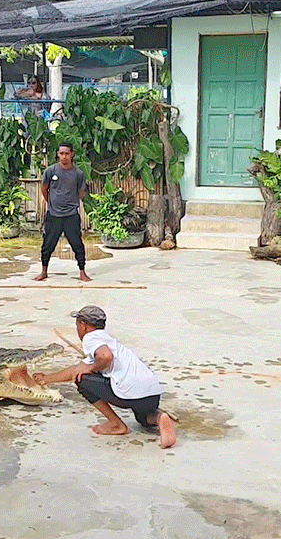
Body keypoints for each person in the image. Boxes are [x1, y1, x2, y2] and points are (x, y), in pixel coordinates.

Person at [33, 305, 176, 449]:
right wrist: (47, 378)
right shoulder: (109, 339)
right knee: (143, 419)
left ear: (83, 325)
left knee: (82, 380)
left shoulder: (91, 338)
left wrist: (91, 367)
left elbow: (105, 357)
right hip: (153, 395)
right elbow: (77, 368)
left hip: (129, 394)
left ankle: (116, 424)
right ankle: (159, 418)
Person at [35, 142, 91, 282]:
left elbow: (81, 192)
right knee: (47, 244)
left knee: (77, 244)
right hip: (54, 216)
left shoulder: (78, 174)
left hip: (71, 215)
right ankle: (44, 271)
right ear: (58, 154)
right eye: (61, 153)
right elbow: (44, 189)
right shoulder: (51, 171)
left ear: (72, 154)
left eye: (67, 153)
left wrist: (71, 203)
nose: (64, 156)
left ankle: (82, 272)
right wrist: (52, 203)